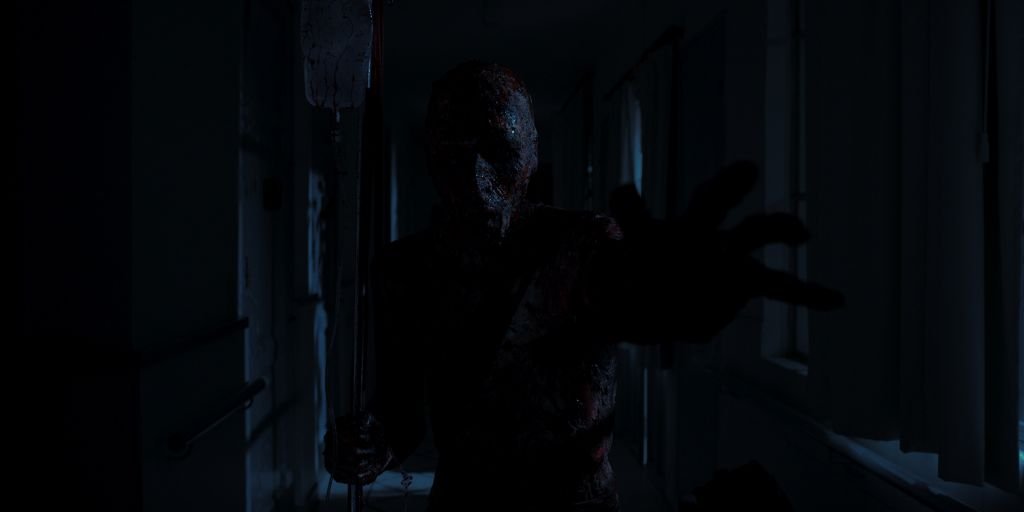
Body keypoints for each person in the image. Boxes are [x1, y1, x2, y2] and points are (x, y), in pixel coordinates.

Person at [324, 61, 843, 511]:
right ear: (432, 160)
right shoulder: (407, 268)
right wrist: (372, 447)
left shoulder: (581, 245)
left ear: (531, 155)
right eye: (454, 156)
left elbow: (641, 301)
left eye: (497, 150)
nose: (478, 182)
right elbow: (401, 413)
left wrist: (684, 293)